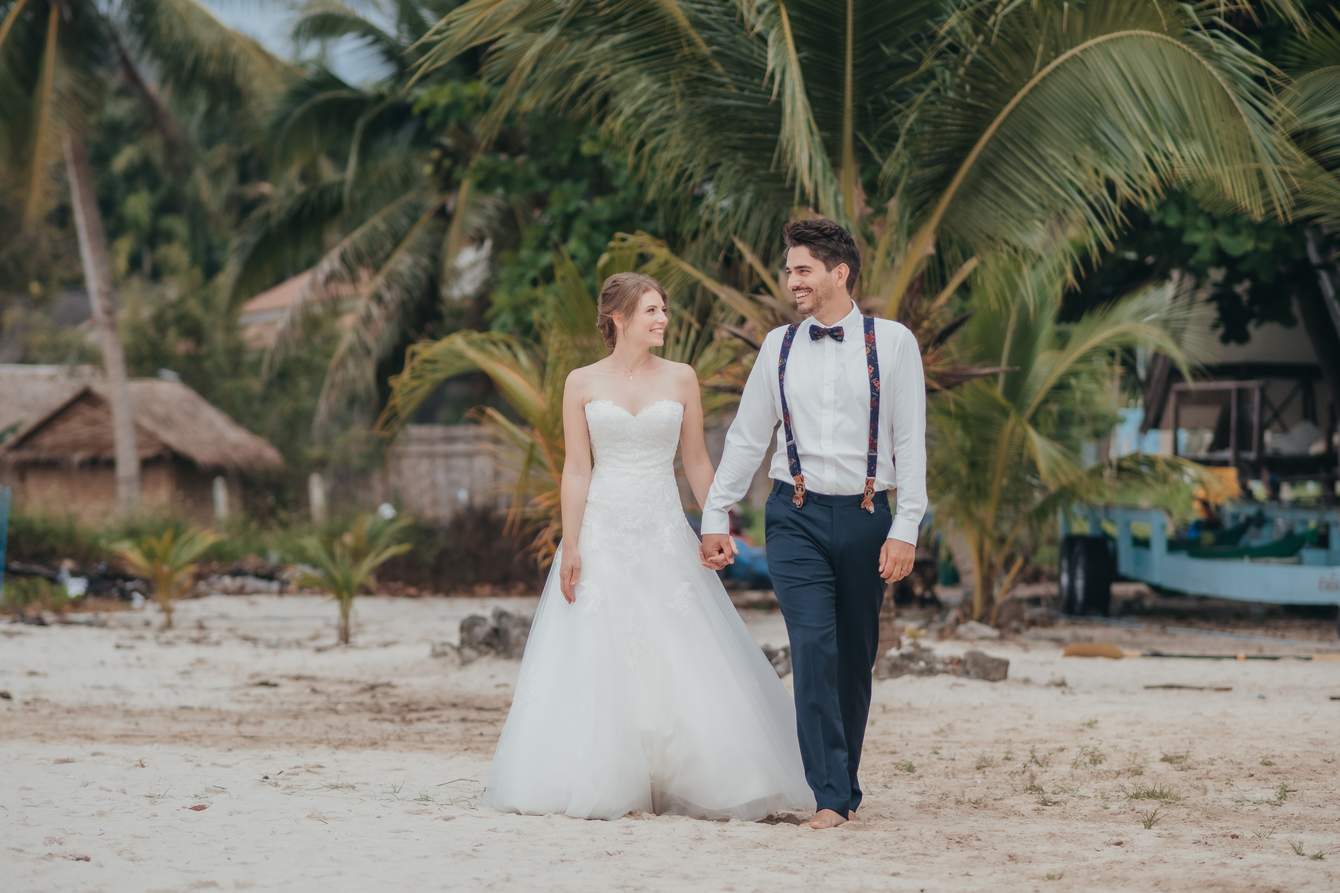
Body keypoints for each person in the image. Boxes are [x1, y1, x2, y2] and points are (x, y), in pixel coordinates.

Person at [482, 272, 813, 821]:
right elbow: (577, 469)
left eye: (664, 310)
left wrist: (718, 524)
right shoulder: (580, 382)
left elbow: (698, 461)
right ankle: (609, 776)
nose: (663, 320)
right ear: (618, 317)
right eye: (652, 311)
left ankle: (685, 776)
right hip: (604, 528)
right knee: (602, 648)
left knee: (679, 647)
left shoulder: (682, 378)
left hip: (663, 528)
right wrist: (570, 544)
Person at [700, 218, 928, 830]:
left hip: (866, 516)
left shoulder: (894, 342)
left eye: (802, 269)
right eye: (789, 269)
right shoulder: (778, 346)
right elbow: (748, 439)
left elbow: (911, 441)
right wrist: (715, 514)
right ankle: (828, 794)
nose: (791, 280)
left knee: (855, 656)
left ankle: (842, 783)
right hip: (793, 516)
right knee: (813, 647)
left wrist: (906, 525)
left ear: (839, 273)